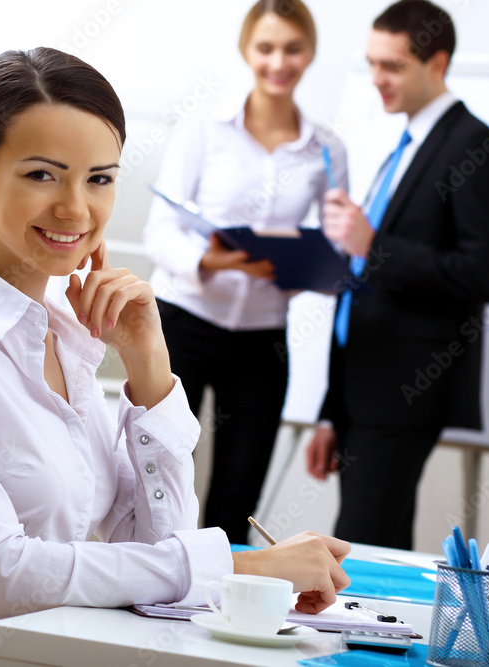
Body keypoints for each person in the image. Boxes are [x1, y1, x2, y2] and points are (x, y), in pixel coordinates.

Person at [0, 47, 350, 667]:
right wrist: (244, 564)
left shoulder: (72, 338)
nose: (75, 208)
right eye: (42, 174)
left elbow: (153, 545)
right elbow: (1, 573)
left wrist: (150, 370)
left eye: (99, 178)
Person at [305, 0, 489, 550]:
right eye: (373, 63)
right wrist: (332, 412)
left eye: (393, 66)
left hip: (404, 389)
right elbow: (362, 284)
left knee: (359, 547)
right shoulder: (405, 146)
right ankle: (379, 639)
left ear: (437, 63)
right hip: (361, 389)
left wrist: (374, 245)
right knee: (377, 546)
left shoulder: (476, 147)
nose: (378, 79)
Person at [144, 0, 348, 545]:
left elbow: (337, 244)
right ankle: (149, 587)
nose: (278, 61)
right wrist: (209, 259)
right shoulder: (205, 130)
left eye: (293, 48)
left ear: (310, 54)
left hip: (262, 339)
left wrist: (310, 264)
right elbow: (159, 230)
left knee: (239, 484)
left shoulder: (326, 148)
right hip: (184, 320)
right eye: (266, 48)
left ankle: (215, 604)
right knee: (162, 468)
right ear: (246, 51)